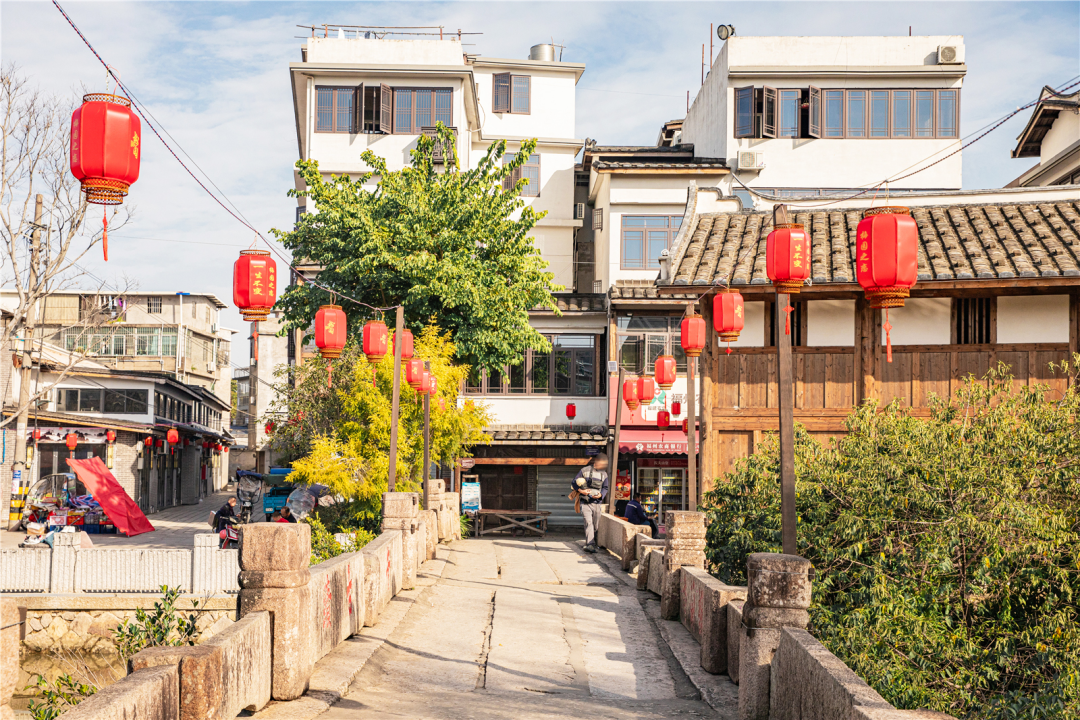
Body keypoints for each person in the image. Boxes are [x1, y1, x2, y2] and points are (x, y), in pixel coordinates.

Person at [571, 453, 609, 553]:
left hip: (597, 503)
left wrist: (601, 495)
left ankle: (593, 542)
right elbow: (573, 482)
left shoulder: (604, 474)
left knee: (595, 525)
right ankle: (590, 545)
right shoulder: (584, 470)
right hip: (585, 502)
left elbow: (605, 488)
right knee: (588, 522)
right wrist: (581, 491)